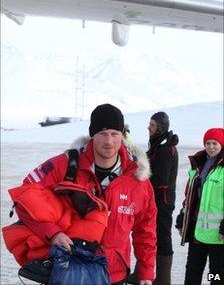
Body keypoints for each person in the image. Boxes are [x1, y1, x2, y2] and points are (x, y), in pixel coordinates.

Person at [3, 103, 157, 285]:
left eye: (114, 134)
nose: (109, 141)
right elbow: (24, 198)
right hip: (68, 270)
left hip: (113, 273)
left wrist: (146, 271)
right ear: (92, 135)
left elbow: (145, 228)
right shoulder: (65, 165)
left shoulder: (138, 180)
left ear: (123, 135)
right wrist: (52, 233)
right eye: (102, 133)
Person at [128, 111, 178, 285]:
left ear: (160, 127)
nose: (149, 127)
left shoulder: (165, 150)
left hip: (162, 202)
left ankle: (164, 280)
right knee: (146, 235)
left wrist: (139, 177)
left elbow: (159, 180)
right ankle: (139, 274)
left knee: (162, 238)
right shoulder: (158, 146)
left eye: (152, 124)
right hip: (156, 201)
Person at [175, 128, 224, 285]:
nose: (210, 147)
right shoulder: (199, 164)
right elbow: (191, 194)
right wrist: (184, 213)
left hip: (218, 235)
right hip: (198, 230)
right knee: (192, 271)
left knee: (216, 275)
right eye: (207, 143)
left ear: (222, 145)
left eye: (214, 143)